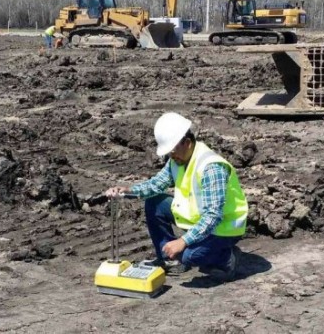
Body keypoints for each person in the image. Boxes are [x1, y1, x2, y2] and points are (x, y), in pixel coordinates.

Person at [105, 112, 248, 281]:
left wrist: (183, 241)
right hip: (200, 221)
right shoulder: (178, 159)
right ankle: (169, 260)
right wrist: (127, 191)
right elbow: (156, 184)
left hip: (224, 228)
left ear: (187, 142)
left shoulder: (211, 167)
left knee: (190, 256)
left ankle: (227, 259)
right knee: (155, 202)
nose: (171, 157)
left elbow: (213, 215)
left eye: (172, 151)